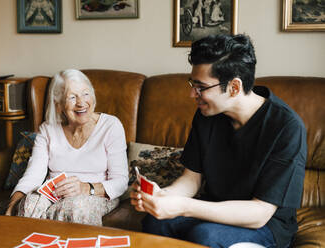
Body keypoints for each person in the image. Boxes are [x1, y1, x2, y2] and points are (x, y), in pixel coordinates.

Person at [130, 34, 306, 248]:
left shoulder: (286, 127)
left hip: (264, 225)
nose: (191, 94)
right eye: (192, 84)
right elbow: (191, 179)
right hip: (213, 209)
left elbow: (259, 213)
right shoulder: (207, 114)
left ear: (234, 87)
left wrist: (183, 206)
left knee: (207, 236)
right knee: (155, 222)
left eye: (201, 87)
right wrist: (162, 196)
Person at [5, 69, 129, 226]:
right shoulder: (48, 129)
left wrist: (86, 188)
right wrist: (11, 207)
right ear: (59, 105)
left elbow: (121, 181)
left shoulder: (111, 126)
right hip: (54, 193)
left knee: (74, 207)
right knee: (28, 204)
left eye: (85, 94)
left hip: (96, 195)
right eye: (72, 97)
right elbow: (33, 175)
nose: (81, 102)